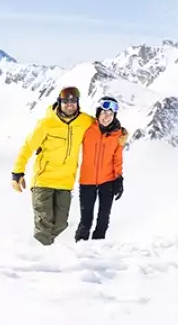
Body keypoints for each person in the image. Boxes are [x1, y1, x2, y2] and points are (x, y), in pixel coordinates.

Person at [11, 86, 94, 245]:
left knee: (61, 225)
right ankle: (33, 259)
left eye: (73, 101)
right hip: (43, 181)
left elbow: (103, 127)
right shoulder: (46, 123)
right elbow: (28, 146)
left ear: (78, 103)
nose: (70, 105)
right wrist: (17, 172)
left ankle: (40, 252)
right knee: (44, 225)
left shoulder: (85, 121)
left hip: (65, 182)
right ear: (59, 102)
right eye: (65, 101)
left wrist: (121, 133)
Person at [76, 95, 128, 241]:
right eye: (104, 112)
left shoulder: (118, 135)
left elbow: (117, 159)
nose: (107, 117)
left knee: (103, 219)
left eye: (111, 114)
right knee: (86, 220)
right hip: (87, 181)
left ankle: (97, 252)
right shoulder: (88, 129)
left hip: (108, 181)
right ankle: (79, 248)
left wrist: (119, 178)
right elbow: (69, 138)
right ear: (98, 112)